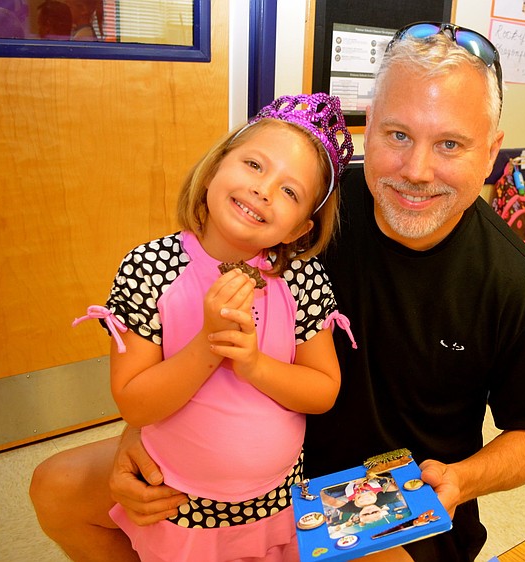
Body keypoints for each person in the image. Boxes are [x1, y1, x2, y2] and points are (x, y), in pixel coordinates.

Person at [29, 21, 525, 562]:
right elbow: (176, 313)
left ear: (491, 151)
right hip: (251, 459)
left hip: (383, 490)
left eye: (450, 144)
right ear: (369, 127)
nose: (417, 171)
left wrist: (461, 479)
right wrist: (139, 433)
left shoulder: (517, 288)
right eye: (398, 135)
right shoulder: (309, 207)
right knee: (57, 488)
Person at [63, 92, 355, 562]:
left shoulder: (302, 279)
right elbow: (135, 402)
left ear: (299, 229)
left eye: (290, 192)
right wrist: (208, 345)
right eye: (254, 165)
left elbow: (322, 390)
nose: (263, 190)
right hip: (179, 503)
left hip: (278, 503)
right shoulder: (151, 267)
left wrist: (253, 364)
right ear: (216, 166)